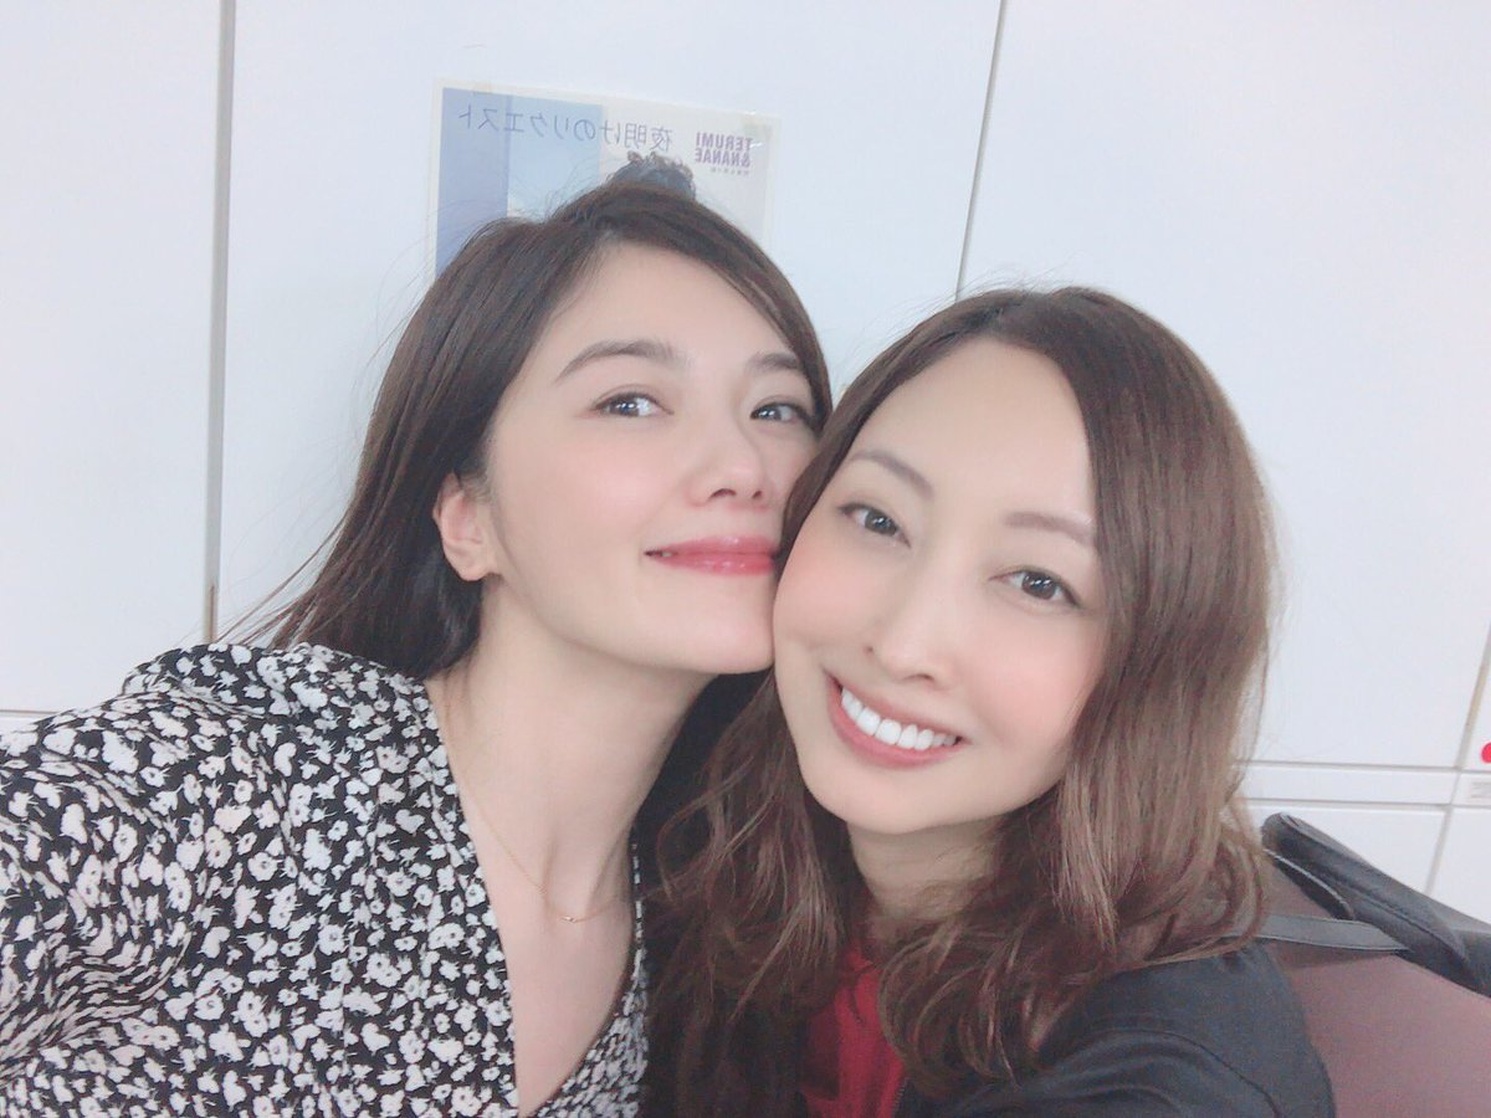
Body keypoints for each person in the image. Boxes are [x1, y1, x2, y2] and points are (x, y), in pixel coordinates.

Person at [0, 179, 831, 1116]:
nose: (741, 467)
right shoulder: (246, 784)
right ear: (468, 518)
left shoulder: (707, 908)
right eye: (631, 402)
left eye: (777, 409)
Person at [650, 288, 1335, 1116]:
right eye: (876, 519)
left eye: (1037, 583)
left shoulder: (1156, 1080)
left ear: (1154, 669)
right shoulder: (737, 837)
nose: (903, 645)